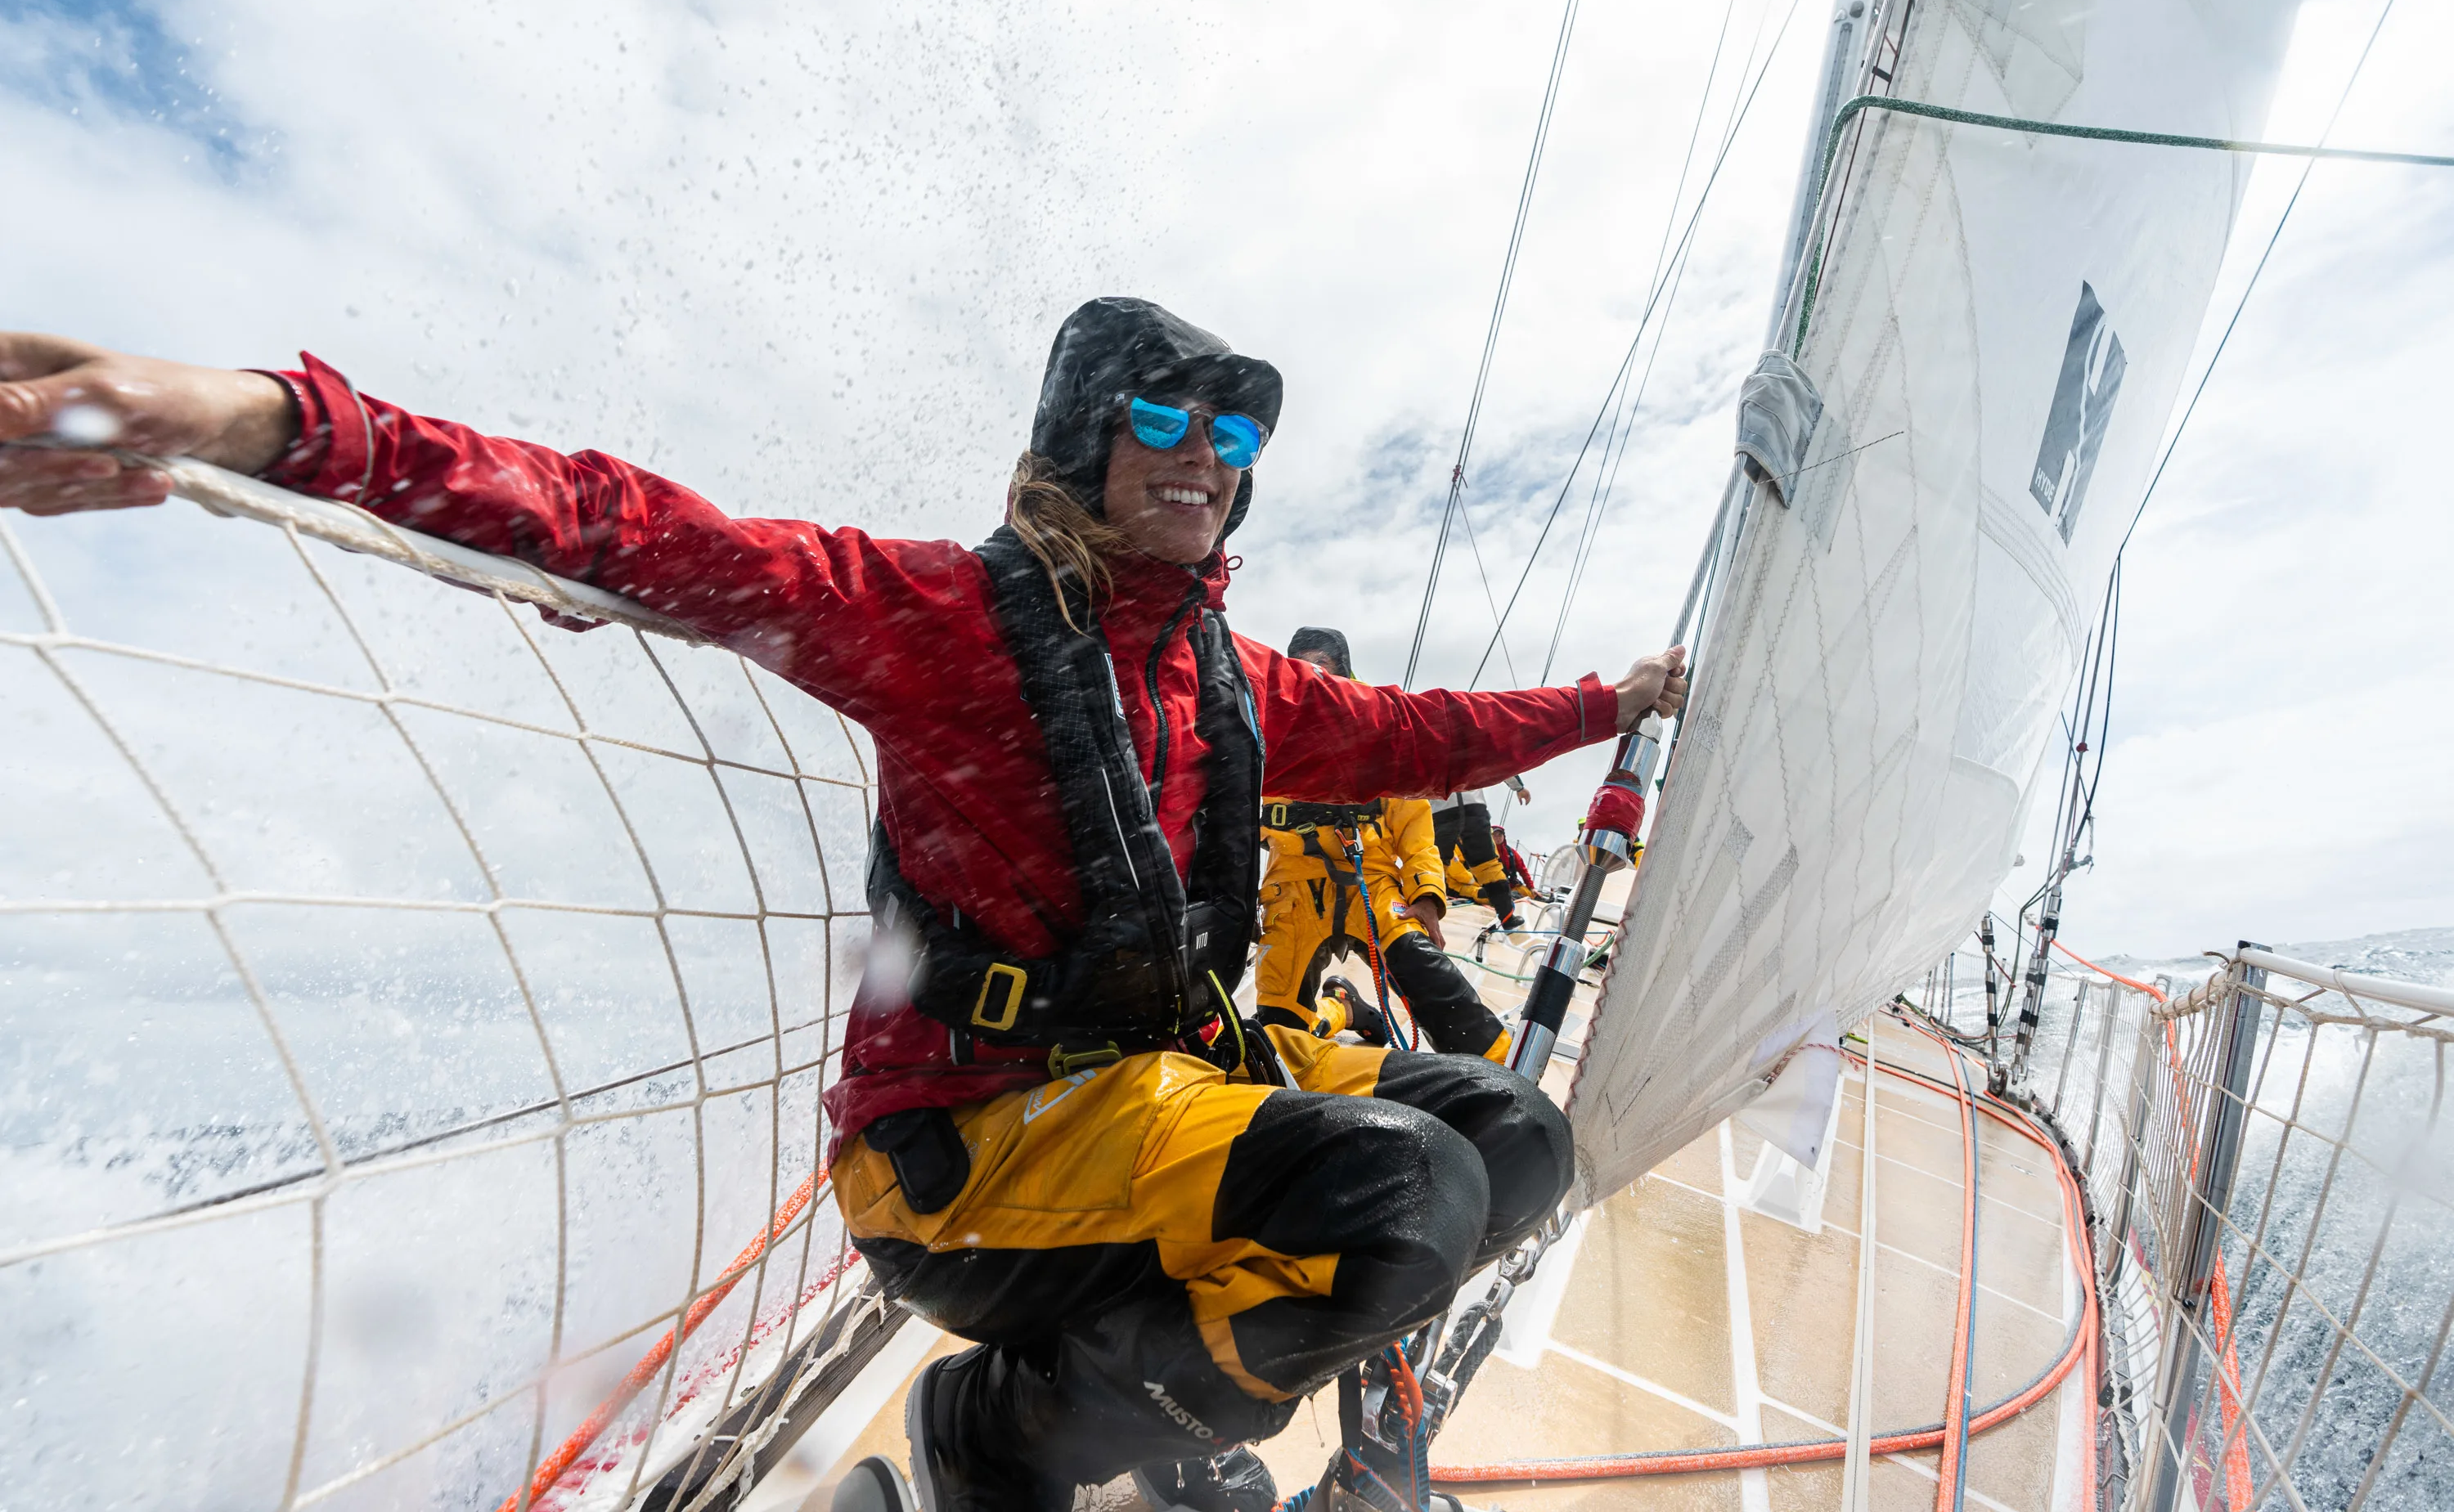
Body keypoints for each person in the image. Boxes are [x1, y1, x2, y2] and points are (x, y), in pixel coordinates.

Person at [0, 299, 1688, 1512]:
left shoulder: (1224, 676)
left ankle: (1139, 1402)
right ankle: (1008, 1439)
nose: (1205, 457)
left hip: (1164, 1087)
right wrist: (268, 418)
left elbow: (1425, 735)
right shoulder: (941, 618)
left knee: (1517, 1146)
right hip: (972, 1145)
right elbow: (634, 531)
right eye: (1163, 419)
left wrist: (1615, 703)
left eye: (1232, 434)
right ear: (1080, 440)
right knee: (1407, 1197)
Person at [1254, 626, 1507, 1061]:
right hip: (1293, 892)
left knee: (1434, 982)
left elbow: (1414, 826)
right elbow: (1232, 828)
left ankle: (1499, 1075)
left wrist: (1427, 893)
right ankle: (1340, 1010)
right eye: (1302, 672)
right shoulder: (1264, 734)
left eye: (1325, 671)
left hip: (1370, 883)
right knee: (1278, 1036)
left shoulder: (1378, 734)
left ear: (1347, 676)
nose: (1314, 682)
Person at [1432, 781, 1529, 931]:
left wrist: (1519, 787)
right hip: (1468, 808)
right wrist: (1519, 788)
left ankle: (1507, 916)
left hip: (1443, 809)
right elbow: (1505, 757)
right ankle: (1507, 917)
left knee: (1436, 864)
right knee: (1436, 864)